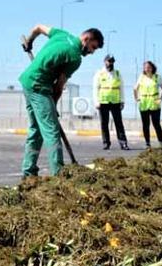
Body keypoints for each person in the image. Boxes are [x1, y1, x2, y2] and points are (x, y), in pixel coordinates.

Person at [19, 25, 103, 177]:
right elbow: (58, 86)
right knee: (52, 131)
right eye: (93, 47)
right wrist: (53, 105)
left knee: (36, 129)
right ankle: (58, 175)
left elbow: (38, 27)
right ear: (86, 39)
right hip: (39, 86)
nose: (91, 52)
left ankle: (28, 172)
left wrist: (30, 42)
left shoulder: (62, 34)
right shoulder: (75, 57)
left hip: (27, 81)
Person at [93, 54, 129, 150]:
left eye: (112, 61)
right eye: (109, 61)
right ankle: (106, 143)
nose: (110, 63)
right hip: (103, 102)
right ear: (105, 61)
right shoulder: (99, 73)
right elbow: (95, 88)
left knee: (119, 123)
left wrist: (122, 101)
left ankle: (123, 143)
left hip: (115, 102)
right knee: (104, 123)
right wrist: (96, 101)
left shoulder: (117, 73)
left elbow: (121, 88)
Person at [133, 60, 162, 149]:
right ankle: (147, 143)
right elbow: (135, 88)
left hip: (154, 104)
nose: (147, 69)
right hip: (144, 104)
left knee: (156, 124)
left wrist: (160, 99)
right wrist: (136, 98)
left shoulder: (157, 77)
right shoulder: (141, 77)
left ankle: (160, 142)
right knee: (145, 124)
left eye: (149, 67)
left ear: (152, 68)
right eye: (145, 67)